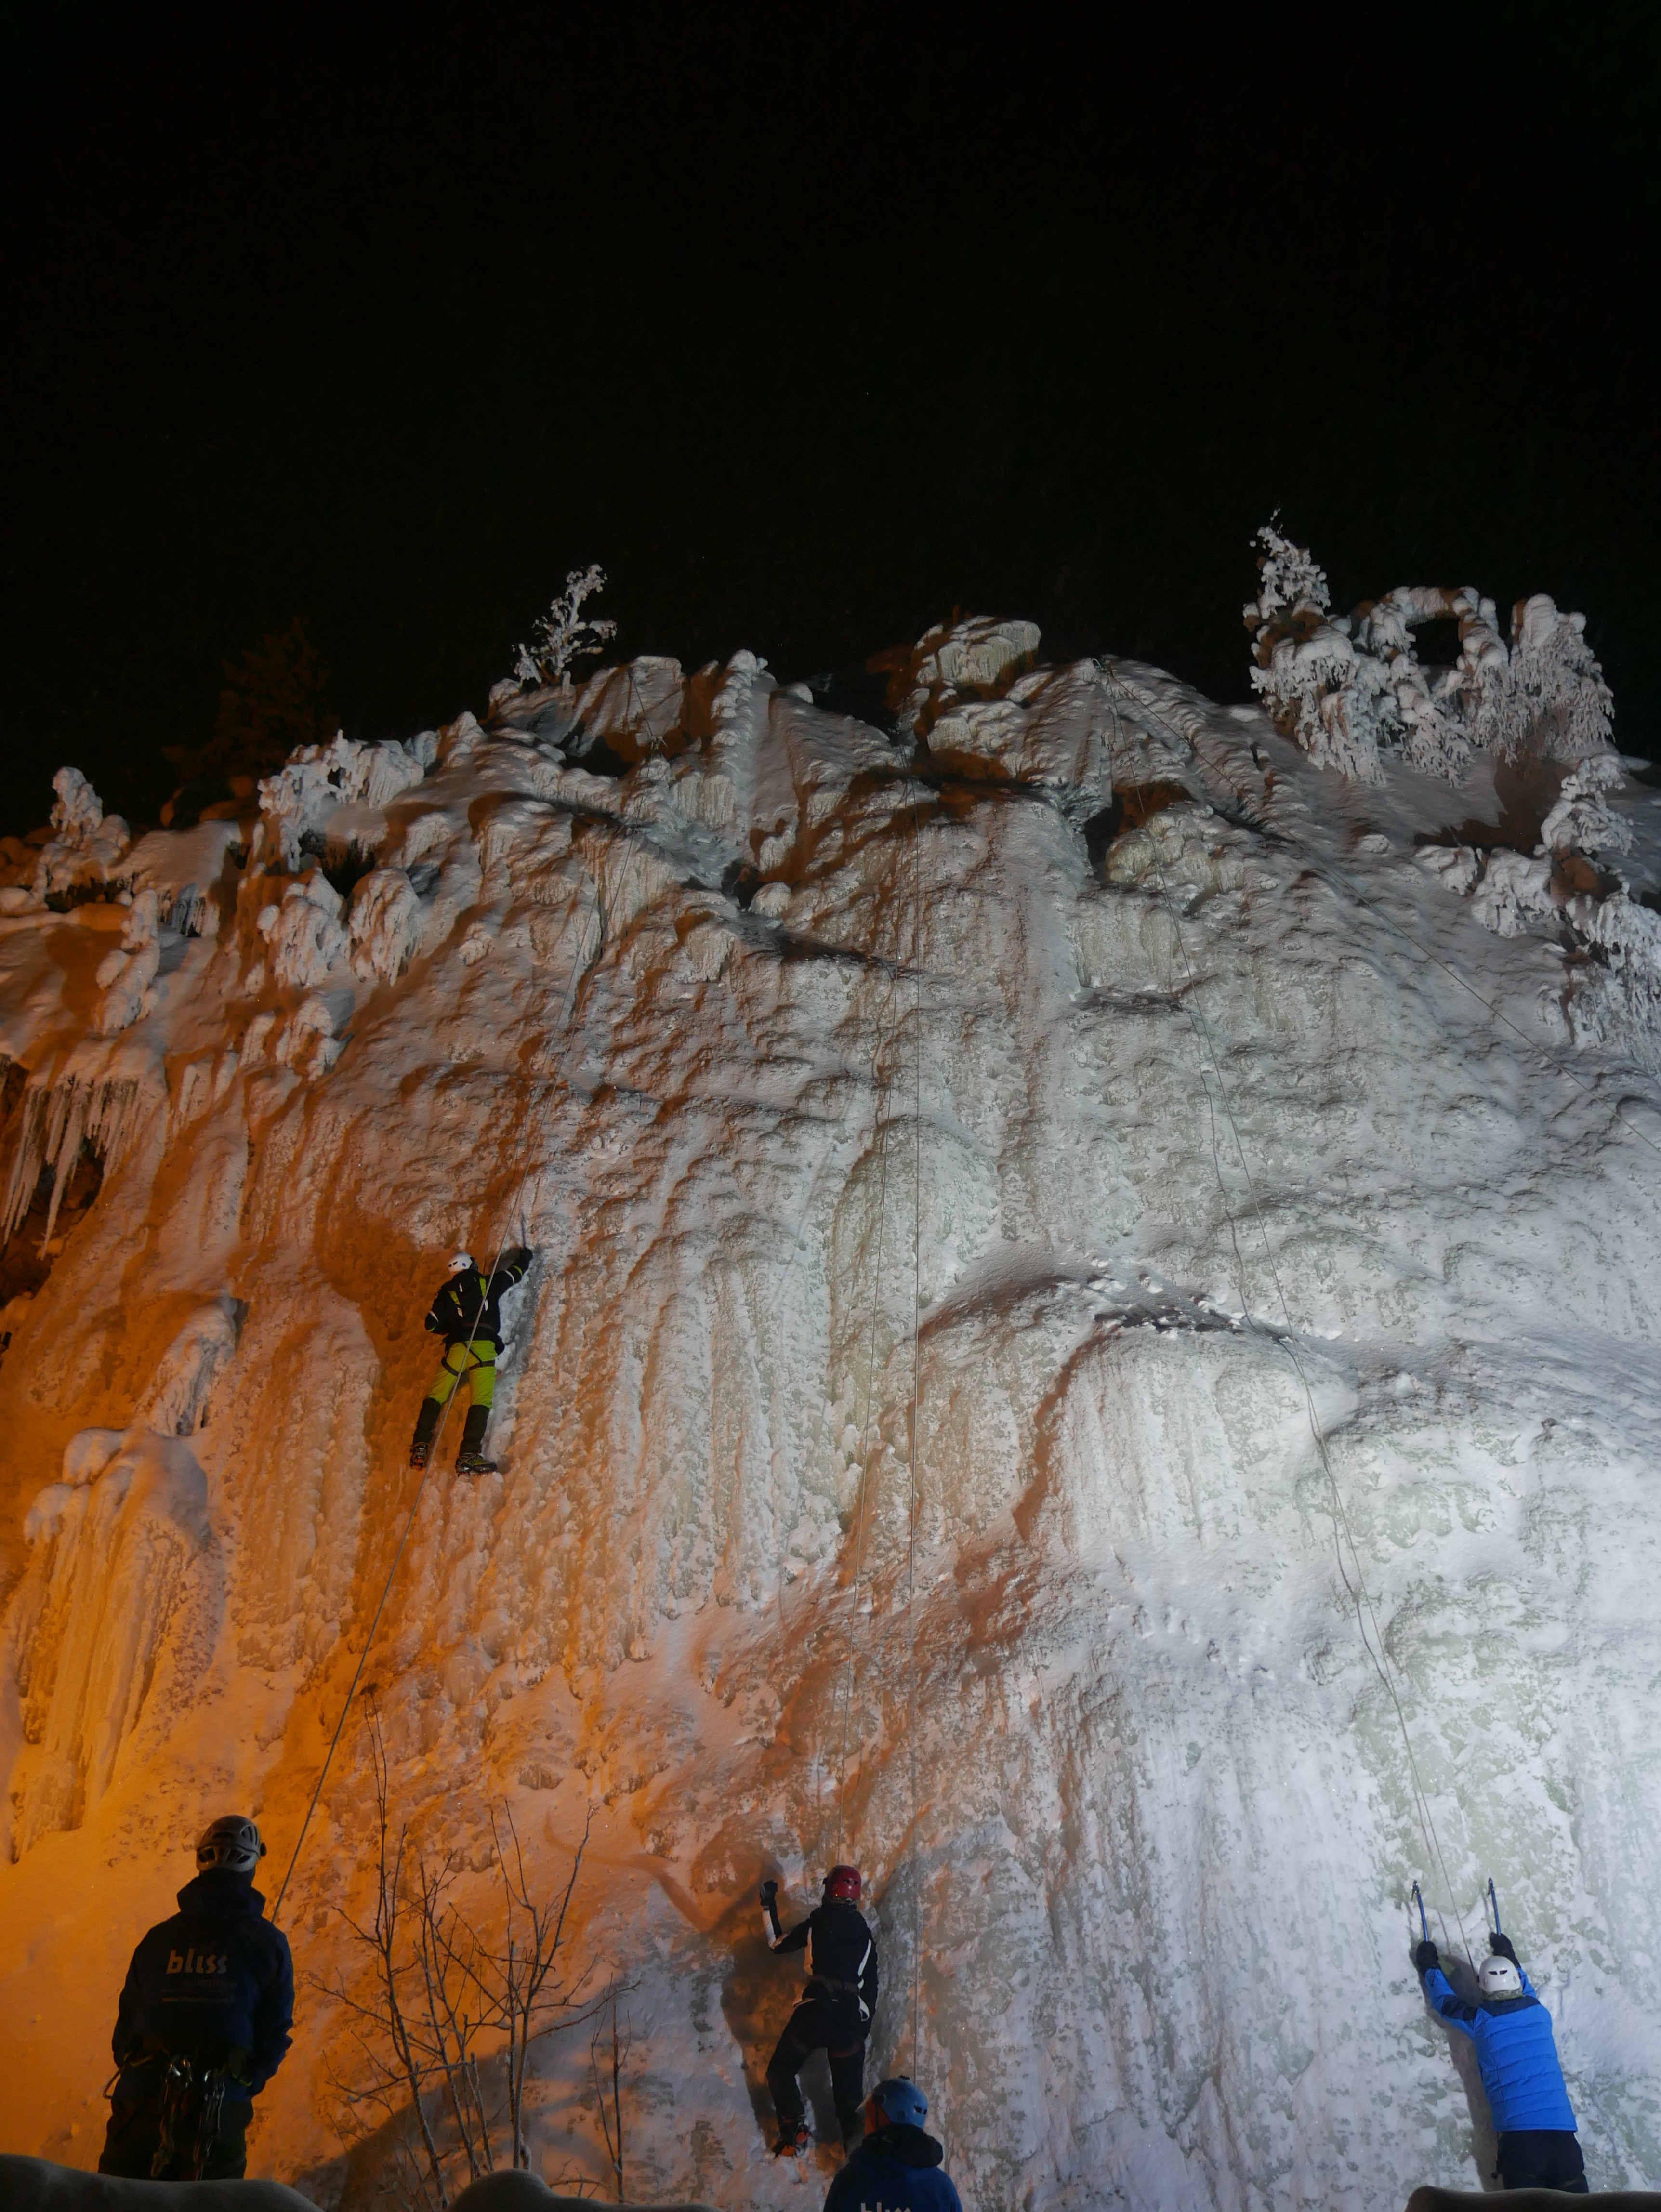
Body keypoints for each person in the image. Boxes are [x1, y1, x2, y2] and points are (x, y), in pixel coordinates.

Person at [99, 1816, 294, 2182]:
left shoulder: (158, 1940)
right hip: (218, 2111)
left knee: (118, 2200)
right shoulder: (268, 1945)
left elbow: (127, 2023)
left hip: (140, 2103)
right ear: (252, 1865)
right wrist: (245, 2081)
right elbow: (275, 2030)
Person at [1414, 1925, 1587, 2192]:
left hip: (1522, 2142)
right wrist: (1508, 1954)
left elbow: (1446, 2004)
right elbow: (1524, 1985)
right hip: (1564, 2139)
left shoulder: (1482, 2021)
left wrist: (1429, 1966)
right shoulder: (1538, 2011)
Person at [762, 1864, 878, 2155]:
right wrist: (861, 2028)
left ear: (830, 1890)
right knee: (850, 2102)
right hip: (848, 2022)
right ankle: (856, 2156)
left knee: (781, 2069)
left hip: (815, 2013)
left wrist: (768, 1904)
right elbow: (871, 1988)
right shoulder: (865, 1936)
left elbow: (777, 1944)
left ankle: (794, 2127)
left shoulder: (818, 1922)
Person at [409, 1243, 532, 1474]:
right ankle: (468, 1455)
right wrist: (526, 1256)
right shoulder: (486, 1284)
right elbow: (513, 1275)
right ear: (471, 1266)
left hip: (458, 1349)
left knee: (436, 1395)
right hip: (484, 1348)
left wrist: (453, 1325)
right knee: (481, 1401)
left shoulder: (447, 1293)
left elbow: (431, 1324)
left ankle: (420, 1445)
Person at [823, 2078, 962, 2212]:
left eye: (871, 2115)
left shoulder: (849, 2184)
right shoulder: (942, 2191)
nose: (865, 2121)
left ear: (885, 2120)